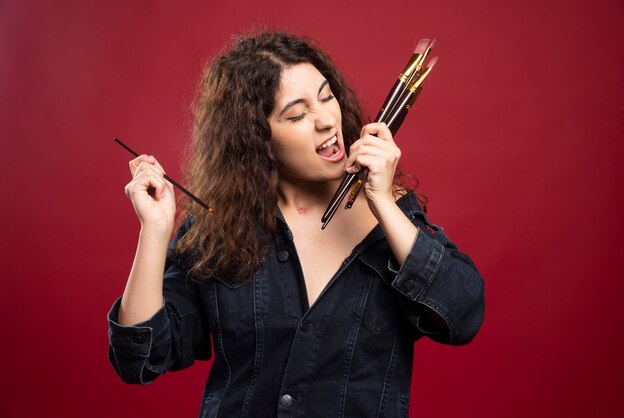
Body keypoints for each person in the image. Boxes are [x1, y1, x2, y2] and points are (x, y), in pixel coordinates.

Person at [107, 31, 485, 418]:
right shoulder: (220, 228)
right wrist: (154, 231)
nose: (325, 121)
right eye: (297, 114)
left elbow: (463, 316)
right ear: (257, 139)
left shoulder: (391, 214)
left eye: (326, 97)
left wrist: (384, 204)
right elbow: (140, 359)